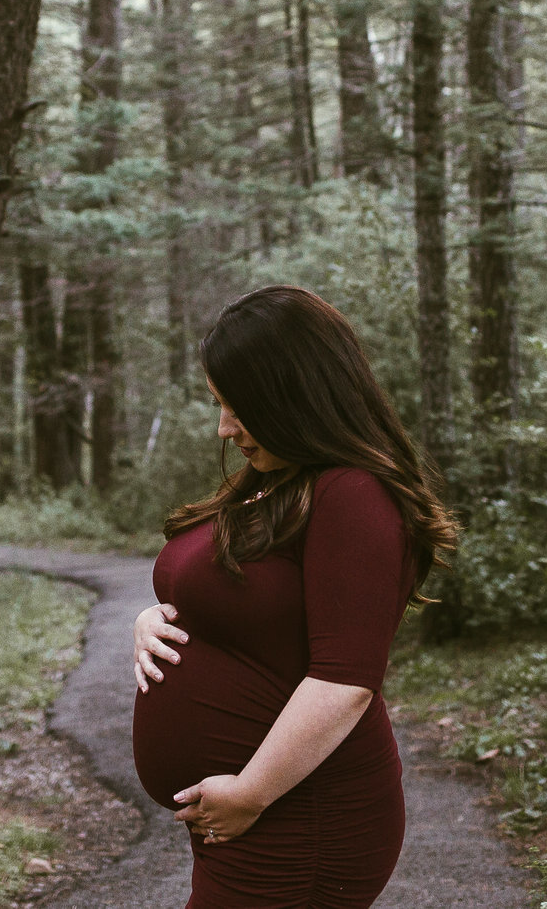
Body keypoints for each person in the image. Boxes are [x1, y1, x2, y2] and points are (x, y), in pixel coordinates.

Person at [130, 285, 459, 909]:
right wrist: (153, 619)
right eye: (220, 405)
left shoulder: (353, 493)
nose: (224, 428)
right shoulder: (280, 484)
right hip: (258, 816)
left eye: (239, 408)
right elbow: (235, 602)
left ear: (294, 396)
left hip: (301, 816)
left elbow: (345, 680)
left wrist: (250, 792)